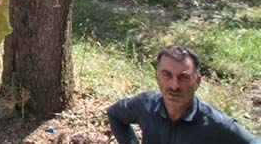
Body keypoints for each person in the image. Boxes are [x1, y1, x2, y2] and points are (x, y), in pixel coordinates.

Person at [107, 44, 259, 143]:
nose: (174, 86)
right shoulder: (145, 105)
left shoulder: (217, 124)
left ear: (197, 81)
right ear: (157, 77)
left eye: (183, 77)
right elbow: (115, 114)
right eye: (167, 75)